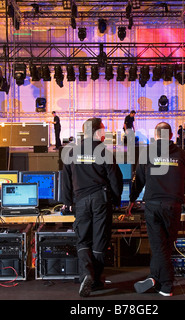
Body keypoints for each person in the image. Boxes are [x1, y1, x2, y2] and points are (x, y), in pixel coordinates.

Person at [126, 122, 185, 297]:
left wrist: (131, 201)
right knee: (164, 245)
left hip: (153, 207)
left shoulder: (147, 153)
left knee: (159, 247)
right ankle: (154, 277)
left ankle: (166, 285)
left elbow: (138, 181)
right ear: (171, 136)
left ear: (156, 136)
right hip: (173, 207)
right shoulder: (181, 155)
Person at [61, 117, 123, 297]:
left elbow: (65, 180)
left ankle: (86, 275)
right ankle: (95, 281)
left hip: (80, 201)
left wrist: (67, 202)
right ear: (97, 132)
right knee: (99, 240)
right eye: (103, 130)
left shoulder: (71, 151)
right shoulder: (104, 151)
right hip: (100, 200)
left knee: (82, 240)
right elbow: (115, 179)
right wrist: (117, 200)